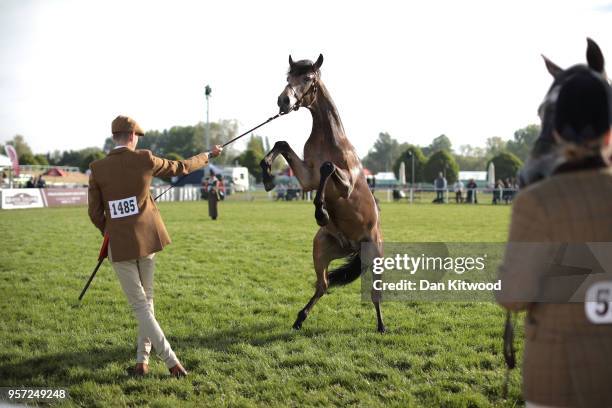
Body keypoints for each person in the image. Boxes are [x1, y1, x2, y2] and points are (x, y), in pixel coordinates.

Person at [496, 69, 612, 407]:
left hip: (558, 376)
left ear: (557, 132)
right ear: (609, 133)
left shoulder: (537, 202)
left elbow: (513, 296)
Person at [87, 115, 222, 378]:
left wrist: (110, 229)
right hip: (147, 241)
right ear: (133, 136)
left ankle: (153, 362)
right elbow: (181, 167)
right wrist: (208, 154)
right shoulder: (145, 158)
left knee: (141, 306)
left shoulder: (97, 168)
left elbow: (94, 213)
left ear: (115, 137)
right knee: (146, 303)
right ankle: (155, 361)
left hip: (120, 246)